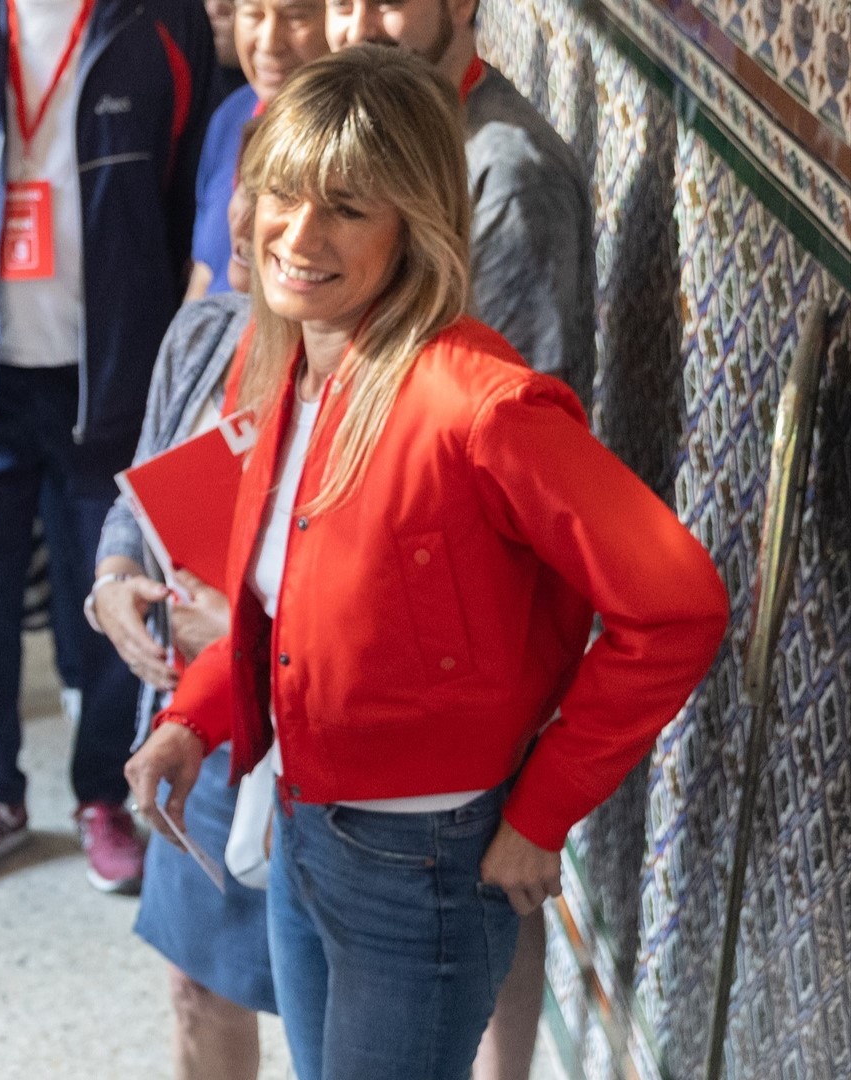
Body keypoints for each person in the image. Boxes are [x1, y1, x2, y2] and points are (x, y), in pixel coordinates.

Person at [125, 48, 728, 1080]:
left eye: (347, 208)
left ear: (417, 222)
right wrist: (201, 712)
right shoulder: (288, 361)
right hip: (304, 824)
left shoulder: (483, 406)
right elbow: (298, 611)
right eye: (280, 192)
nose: (297, 235)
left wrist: (542, 814)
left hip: (427, 871)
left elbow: (677, 610)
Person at [0, 0, 215, 893]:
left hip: (111, 382)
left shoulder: (161, 22)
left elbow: (195, 203)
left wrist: (183, 371)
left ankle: (101, 791)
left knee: (108, 610)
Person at [326, 3, 600, 1074]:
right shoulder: (380, 138)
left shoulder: (507, 174)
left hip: (470, 624)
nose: (359, 22)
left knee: (492, 887)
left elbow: (513, 468)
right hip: (378, 597)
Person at [92, 185, 271, 1080]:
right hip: (197, 725)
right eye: (247, 185)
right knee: (198, 989)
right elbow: (145, 487)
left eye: (281, 194)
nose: (244, 218)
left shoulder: (377, 384)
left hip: (320, 746)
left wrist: (240, 634)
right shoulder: (206, 330)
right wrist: (114, 578)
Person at [327, 0, 594, 402]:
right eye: (341, 5)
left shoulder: (511, 180)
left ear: (459, 5)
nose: (359, 29)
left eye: (387, 3)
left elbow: (515, 412)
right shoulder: (373, 128)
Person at [184, 0, 324, 300]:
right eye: (253, 14)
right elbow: (206, 271)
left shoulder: (350, 148)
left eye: (296, 16)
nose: (269, 42)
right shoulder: (231, 116)